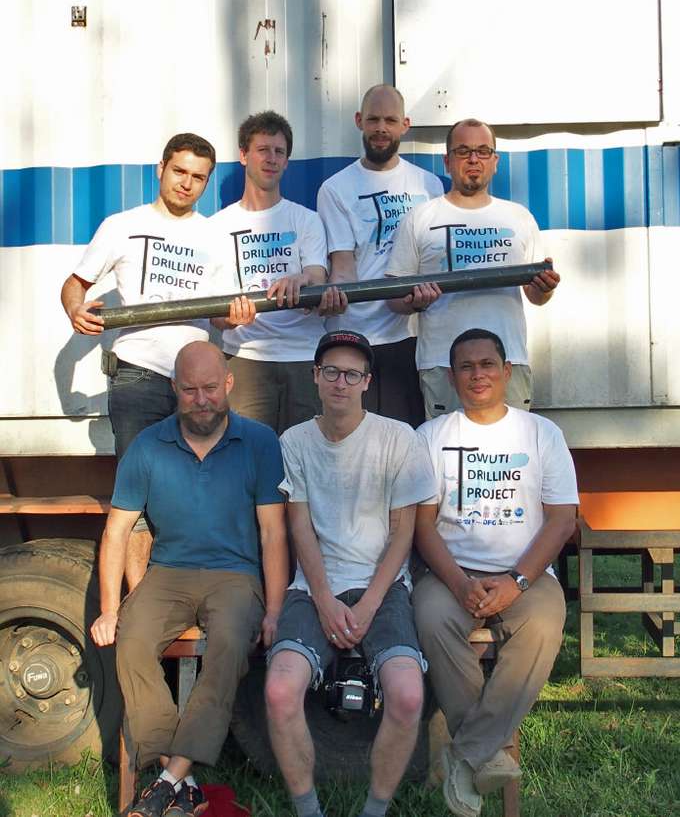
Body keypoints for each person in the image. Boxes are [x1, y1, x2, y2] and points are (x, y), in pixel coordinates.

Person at [90, 341, 288, 817]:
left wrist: (276, 608)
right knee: (131, 641)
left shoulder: (259, 441)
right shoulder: (149, 445)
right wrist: (109, 609)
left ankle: (166, 780)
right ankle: (180, 779)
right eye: (190, 390)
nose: (202, 400)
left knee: (227, 649)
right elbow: (117, 530)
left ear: (229, 384)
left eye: (211, 389)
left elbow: (273, 533)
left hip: (235, 576)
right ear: (174, 389)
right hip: (168, 573)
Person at [60, 132, 254, 588]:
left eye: (199, 178)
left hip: (196, 385)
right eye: (180, 172)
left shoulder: (214, 236)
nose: (187, 184)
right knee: (136, 498)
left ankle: (183, 599)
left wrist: (235, 318)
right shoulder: (121, 225)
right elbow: (75, 284)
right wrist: (74, 310)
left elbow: (219, 318)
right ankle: (140, 601)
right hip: (136, 378)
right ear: (160, 169)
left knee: (198, 493)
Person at [264, 330, 437, 817]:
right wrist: (321, 597)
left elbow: (403, 531)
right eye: (331, 372)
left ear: (367, 381)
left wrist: (367, 604)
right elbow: (299, 526)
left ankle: (374, 808)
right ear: (315, 377)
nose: (341, 382)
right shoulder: (294, 441)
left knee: (406, 694)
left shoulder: (398, 437)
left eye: (352, 374)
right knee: (279, 689)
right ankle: (308, 808)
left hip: (381, 589)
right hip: (313, 587)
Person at [414, 328, 578, 817]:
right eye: (466, 366)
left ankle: (466, 757)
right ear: (450, 377)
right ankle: (493, 752)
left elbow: (563, 517)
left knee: (546, 621)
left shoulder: (540, 433)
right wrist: (460, 583)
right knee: (431, 618)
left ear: (508, 372)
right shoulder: (431, 437)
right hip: (452, 574)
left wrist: (518, 581)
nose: (477, 374)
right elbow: (422, 527)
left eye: (488, 364)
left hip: (525, 574)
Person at [386, 118, 561, 419]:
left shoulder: (518, 217)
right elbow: (393, 298)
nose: (473, 159)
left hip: (507, 360)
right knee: (446, 457)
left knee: (509, 456)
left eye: (482, 151)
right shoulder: (420, 218)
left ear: (495, 161)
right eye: (463, 151)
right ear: (447, 161)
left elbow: (536, 296)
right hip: (442, 363)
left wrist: (545, 287)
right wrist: (414, 302)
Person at [317, 84, 443, 427]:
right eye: (373, 119)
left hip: (407, 338)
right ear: (359, 121)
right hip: (352, 337)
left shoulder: (429, 186)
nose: (381, 128)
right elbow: (342, 264)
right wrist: (337, 298)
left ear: (405, 124)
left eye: (390, 120)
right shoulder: (335, 188)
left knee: (404, 440)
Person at [210, 110, 334, 434]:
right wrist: (230, 317)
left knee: (303, 459)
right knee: (247, 458)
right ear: (243, 155)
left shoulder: (306, 219)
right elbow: (214, 315)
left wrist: (303, 279)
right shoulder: (218, 227)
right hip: (245, 356)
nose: (271, 158)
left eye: (280, 152)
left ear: (287, 161)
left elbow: (318, 276)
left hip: (305, 356)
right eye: (263, 149)